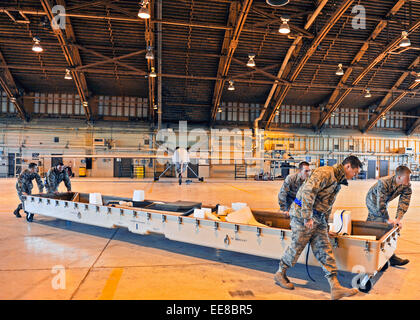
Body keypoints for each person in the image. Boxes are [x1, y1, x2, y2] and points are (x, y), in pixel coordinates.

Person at [274, 156, 363, 300]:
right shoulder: (326, 173)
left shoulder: (337, 181)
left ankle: (335, 287)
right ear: (347, 166)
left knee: (325, 249)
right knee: (297, 246)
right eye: (355, 172)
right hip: (302, 216)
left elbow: (327, 204)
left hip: (319, 219)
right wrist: (307, 216)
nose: (355, 175)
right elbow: (308, 192)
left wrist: (326, 226)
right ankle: (280, 273)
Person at [366, 165, 412, 266]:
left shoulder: (406, 185)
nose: (409, 181)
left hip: (383, 201)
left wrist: (398, 218)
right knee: (381, 224)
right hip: (373, 200)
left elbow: (404, 201)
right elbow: (380, 205)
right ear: (399, 177)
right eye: (407, 178)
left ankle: (384, 256)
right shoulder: (383, 182)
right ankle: (388, 257)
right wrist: (387, 219)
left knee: (371, 225)